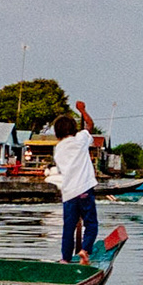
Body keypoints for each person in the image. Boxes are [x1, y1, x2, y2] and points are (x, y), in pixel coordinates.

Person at [51, 108, 98, 264]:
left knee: (68, 228)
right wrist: (82, 110)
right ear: (73, 129)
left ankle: (65, 258)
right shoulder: (80, 139)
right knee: (90, 224)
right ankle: (84, 250)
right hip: (84, 189)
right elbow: (90, 124)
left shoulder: (58, 149)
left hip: (69, 193)